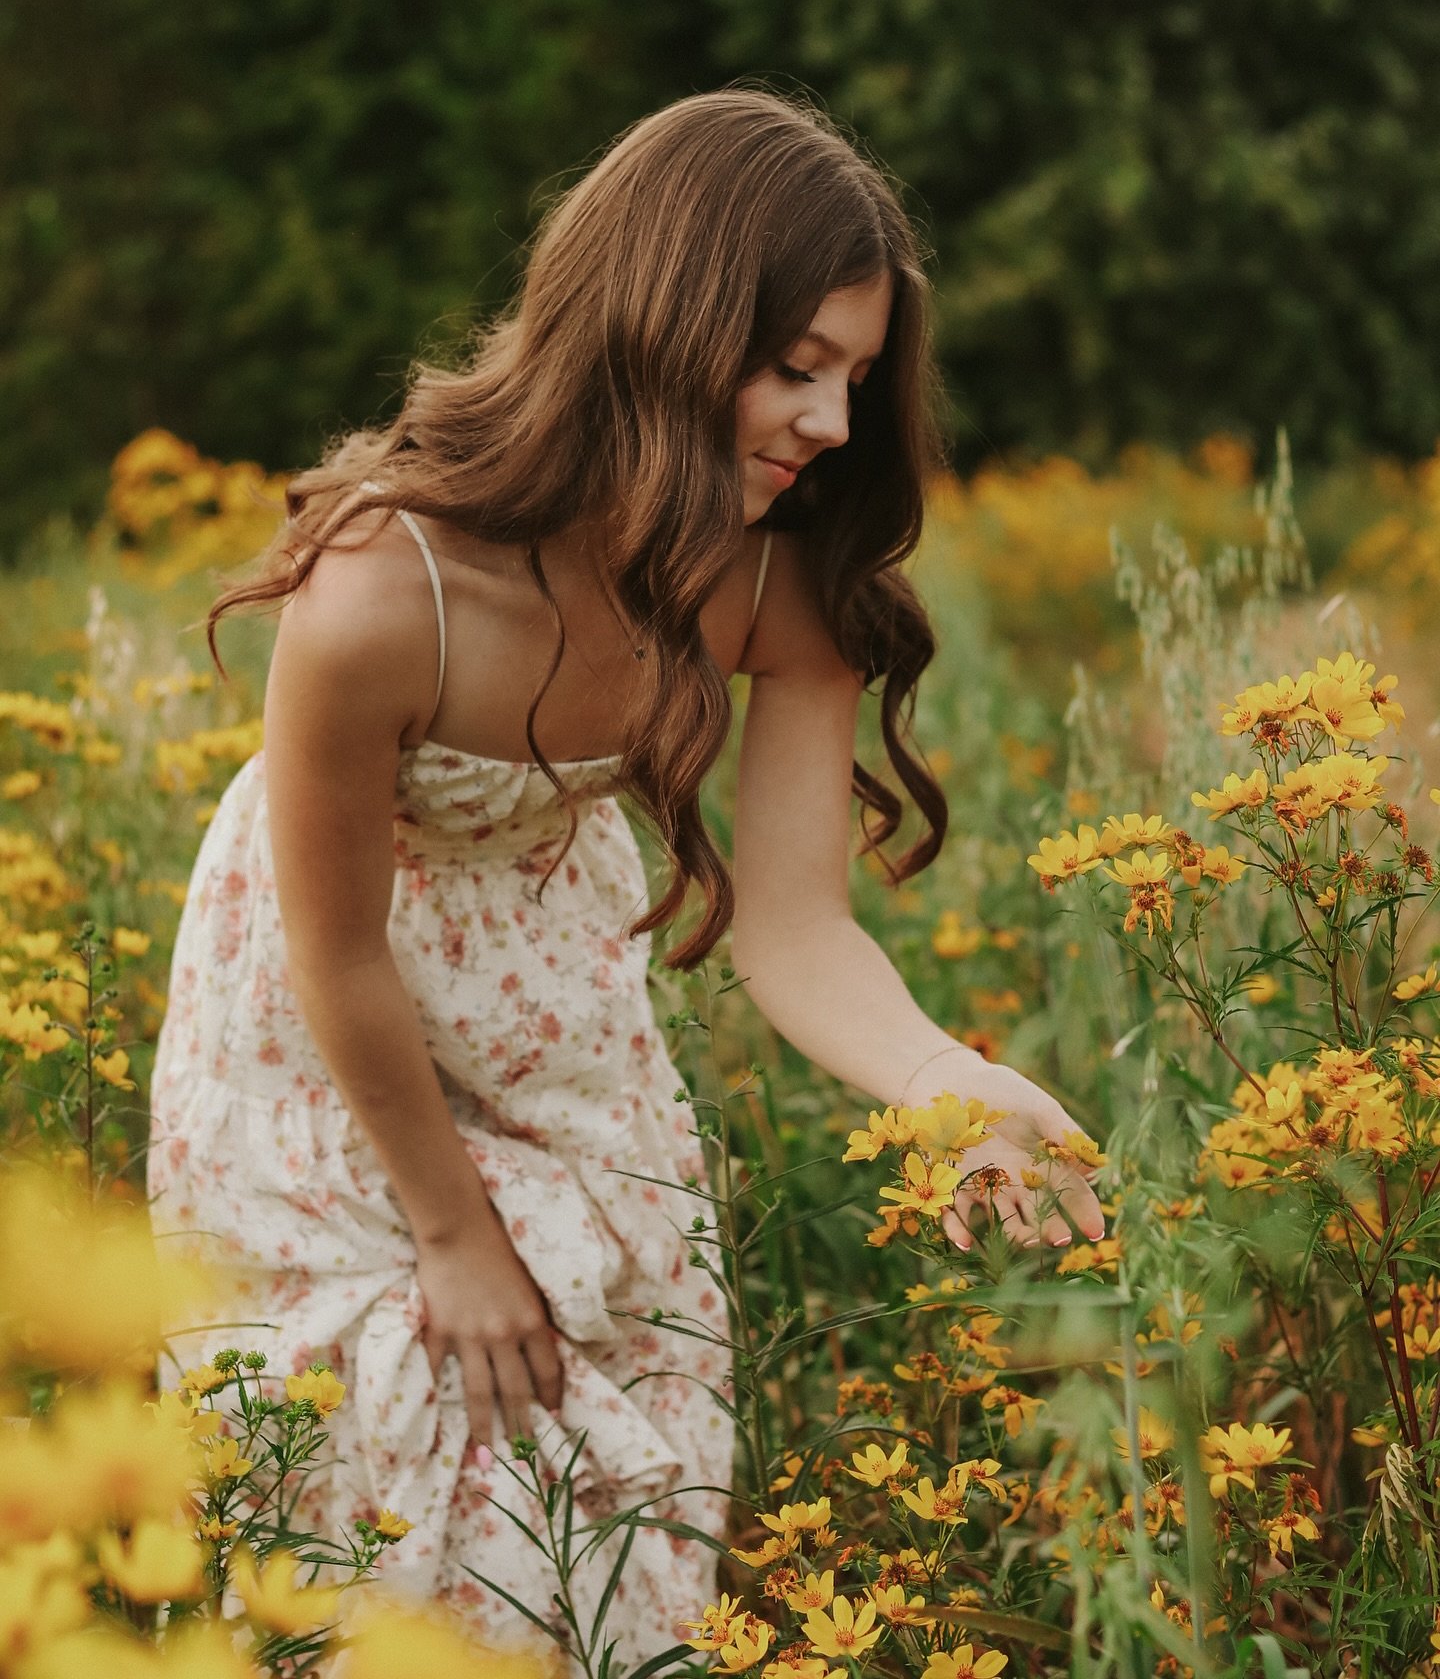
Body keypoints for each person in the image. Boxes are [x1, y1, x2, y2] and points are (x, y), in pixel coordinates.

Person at [146, 86, 1103, 1664]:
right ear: (658, 323)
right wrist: (454, 1231)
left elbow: (797, 927)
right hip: (326, 1049)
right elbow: (338, 959)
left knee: (610, 1464)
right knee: (375, 1464)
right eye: (796, 367)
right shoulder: (382, 594)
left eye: (857, 381)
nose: (833, 424)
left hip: (553, 1016)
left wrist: (950, 1084)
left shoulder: (774, 577)